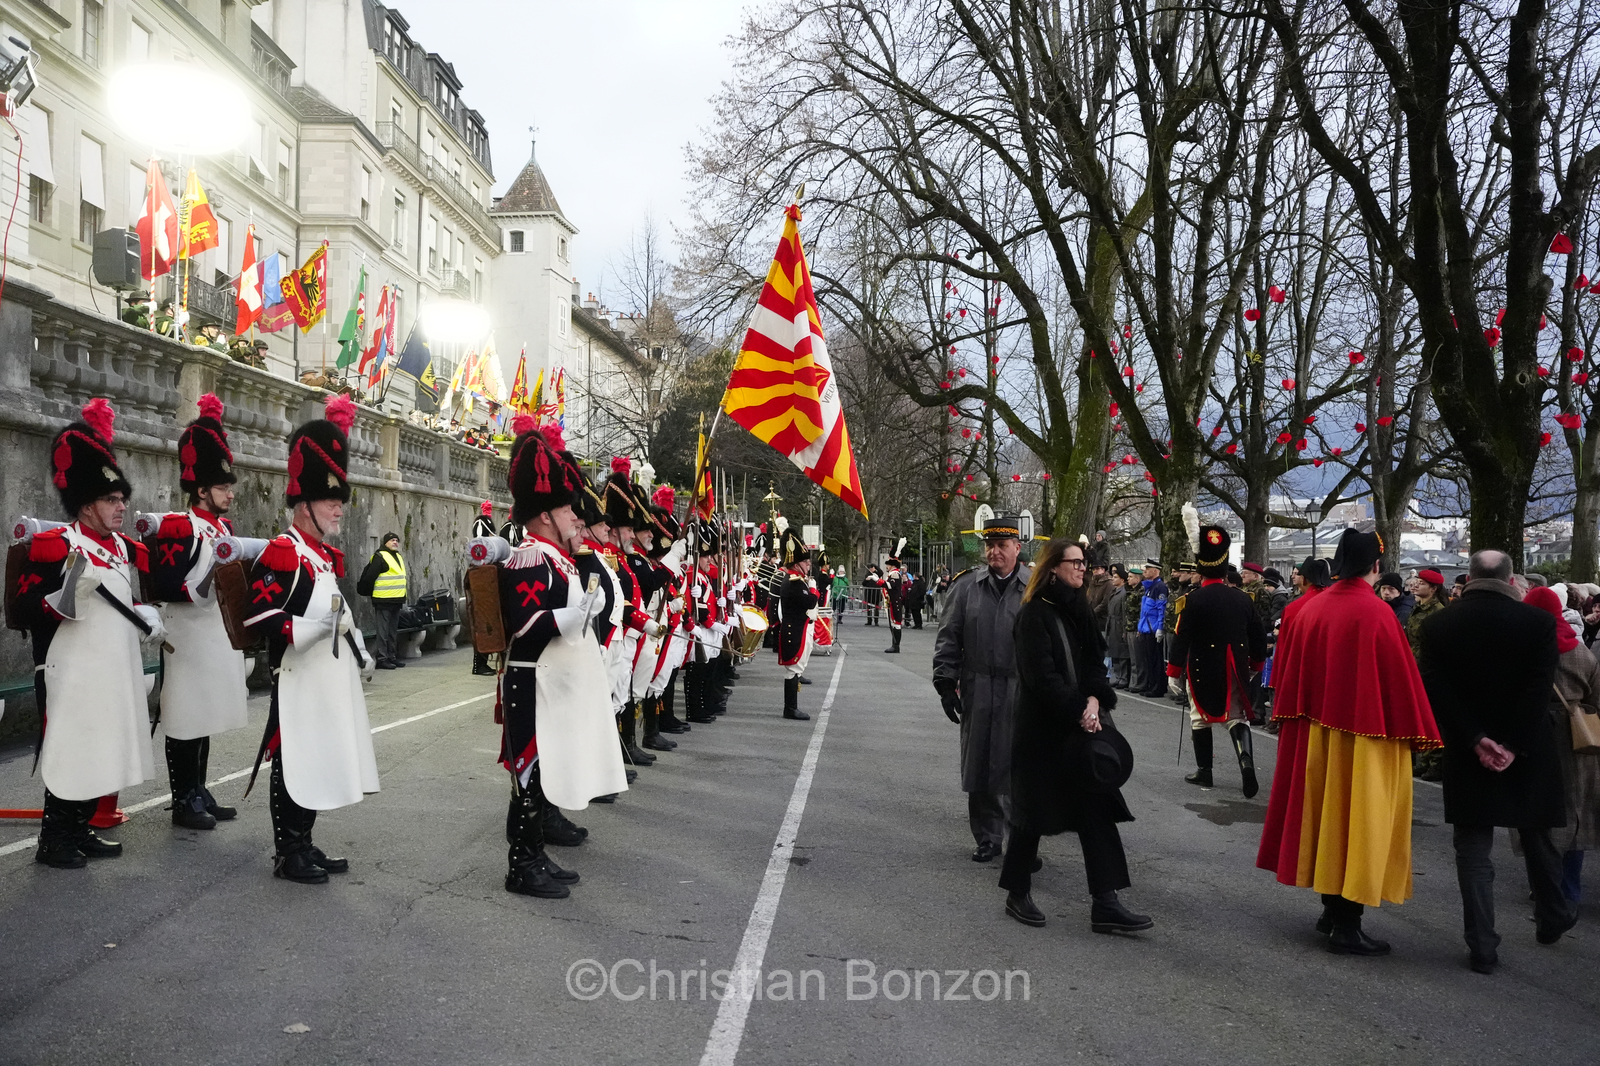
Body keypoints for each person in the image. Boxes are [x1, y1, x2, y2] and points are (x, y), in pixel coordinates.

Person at [1257, 529, 1441, 956]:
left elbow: (1286, 675)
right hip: (1364, 738)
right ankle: (1347, 923)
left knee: (1323, 820)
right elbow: (1400, 684)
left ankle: (1330, 911)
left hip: (1314, 737)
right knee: (1360, 824)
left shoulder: (1306, 610)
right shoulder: (1377, 615)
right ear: (1375, 567)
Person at [15, 399, 160, 868]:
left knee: (99, 746)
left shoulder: (120, 547)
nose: (121, 507)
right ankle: (54, 840)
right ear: (85, 505)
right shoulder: (57, 547)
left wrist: (144, 614)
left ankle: (79, 830)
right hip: (68, 668)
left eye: (121, 500)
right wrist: (67, 594)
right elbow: (24, 610)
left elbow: (117, 600)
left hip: (110, 665)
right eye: (111, 500)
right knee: (71, 749)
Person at [1418, 555, 1579, 974]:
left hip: (1467, 749)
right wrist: (1510, 743)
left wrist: (1476, 739)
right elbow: (1537, 688)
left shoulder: (1439, 625)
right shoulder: (1537, 624)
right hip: (1527, 746)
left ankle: (1482, 945)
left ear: (1468, 579)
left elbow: (1437, 688)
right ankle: (1553, 914)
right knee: (1537, 836)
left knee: (1473, 851)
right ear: (1511, 579)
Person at [242, 395, 379, 884]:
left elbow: (339, 614)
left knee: (319, 757)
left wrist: (359, 646)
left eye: (340, 499)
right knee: (292, 761)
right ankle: (288, 852)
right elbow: (257, 619)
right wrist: (309, 630)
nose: (339, 508)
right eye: (330, 500)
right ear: (304, 504)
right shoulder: (282, 554)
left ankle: (306, 840)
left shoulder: (321, 557)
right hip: (296, 676)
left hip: (327, 677)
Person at [488, 416, 622, 897]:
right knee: (528, 771)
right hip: (532, 680)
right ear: (545, 514)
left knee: (544, 771)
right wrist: (572, 616)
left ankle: (536, 853)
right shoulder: (531, 556)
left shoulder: (559, 557)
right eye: (568, 511)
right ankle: (521, 865)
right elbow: (525, 623)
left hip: (552, 682)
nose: (576, 519)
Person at [1000, 538, 1151, 933]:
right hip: (1041, 732)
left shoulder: (1079, 608)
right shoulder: (1034, 614)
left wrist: (1096, 702)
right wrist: (1078, 711)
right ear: (1053, 567)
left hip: (1081, 727)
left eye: (1085, 563)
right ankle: (1017, 894)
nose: (1083, 569)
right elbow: (1041, 678)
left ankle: (1106, 902)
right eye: (1075, 563)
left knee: (1097, 810)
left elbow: (1093, 664)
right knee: (1030, 816)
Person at [151, 395, 250, 831]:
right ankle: (182, 798)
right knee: (185, 715)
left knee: (206, 714)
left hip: (216, 634)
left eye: (230, 487)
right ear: (201, 489)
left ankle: (200, 788)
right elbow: (167, 585)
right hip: (187, 635)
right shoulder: (180, 526)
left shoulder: (223, 529)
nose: (231, 493)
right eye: (224, 487)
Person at [933, 516, 1031, 863]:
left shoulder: (1035, 587)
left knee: (1018, 767)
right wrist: (945, 681)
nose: (995, 552)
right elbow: (949, 636)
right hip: (978, 686)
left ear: (1017, 548)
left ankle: (1023, 839)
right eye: (990, 545)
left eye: (1002, 545)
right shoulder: (967, 587)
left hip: (1021, 688)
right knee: (980, 763)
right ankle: (988, 837)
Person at [1167, 526, 1268, 796]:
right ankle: (1245, 760)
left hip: (1202, 666)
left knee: (1200, 718)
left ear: (1200, 571)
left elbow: (1181, 638)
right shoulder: (1243, 599)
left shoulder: (1192, 599)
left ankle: (1205, 772)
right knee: (1236, 718)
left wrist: (1173, 672)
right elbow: (1258, 636)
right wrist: (1256, 665)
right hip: (1236, 666)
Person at [1524, 587, 1600, 907]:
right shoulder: (1582, 651)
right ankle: (1569, 890)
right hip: (1578, 737)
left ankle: (1547, 890)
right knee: (1576, 815)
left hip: (1536, 733)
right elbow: (1596, 698)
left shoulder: (1525, 648)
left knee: (1541, 815)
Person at [775, 528, 820, 720]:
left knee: (796, 669)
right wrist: (813, 590)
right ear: (797, 562)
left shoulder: (797, 579)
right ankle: (790, 708)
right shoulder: (794, 581)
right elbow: (809, 602)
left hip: (799, 627)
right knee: (793, 669)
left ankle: (791, 707)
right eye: (805, 561)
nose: (808, 564)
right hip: (795, 629)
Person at [357, 532, 408, 669]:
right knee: (383, 631)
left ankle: (392, 656)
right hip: (383, 600)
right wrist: (370, 593)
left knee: (392, 631)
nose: (395, 542)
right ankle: (382, 658)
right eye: (392, 540)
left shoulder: (397, 556)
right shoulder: (380, 557)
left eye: (397, 540)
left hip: (396, 599)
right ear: (385, 543)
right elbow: (369, 577)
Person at [469, 501, 500, 675]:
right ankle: (478, 665)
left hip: (486, 593)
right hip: (482, 594)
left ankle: (482, 662)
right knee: (483, 629)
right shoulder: (480, 549)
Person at [1133, 560, 1168, 696]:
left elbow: (1161, 609)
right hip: (1146, 628)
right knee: (1148, 660)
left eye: (1147, 569)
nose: (1144, 571)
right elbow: (1145, 611)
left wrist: (1160, 628)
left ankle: (1157, 687)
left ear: (1155, 571)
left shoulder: (1159, 587)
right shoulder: (1150, 587)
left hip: (1153, 629)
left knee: (1155, 660)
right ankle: (1150, 685)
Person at [1104, 565, 1131, 689]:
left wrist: (1124, 629)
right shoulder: (1115, 592)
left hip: (1119, 624)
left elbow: (1125, 612)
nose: (1113, 579)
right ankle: (1117, 677)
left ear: (1122, 579)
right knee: (1113, 652)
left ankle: (1124, 678)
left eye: (1115, 577)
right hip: (1112, 623)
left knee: (1122, 653)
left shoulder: (1123, 593)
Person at [883, 551, 907, 653]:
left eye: (888, 564)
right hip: (892, 601)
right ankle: (894, 644)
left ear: (892, 565)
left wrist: (878, 581)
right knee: (893, 624)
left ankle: (896, 646)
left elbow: (890, 586)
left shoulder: (895, 574)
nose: (887, 566)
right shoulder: (893, 574)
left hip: (895, 601)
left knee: (896, 624)